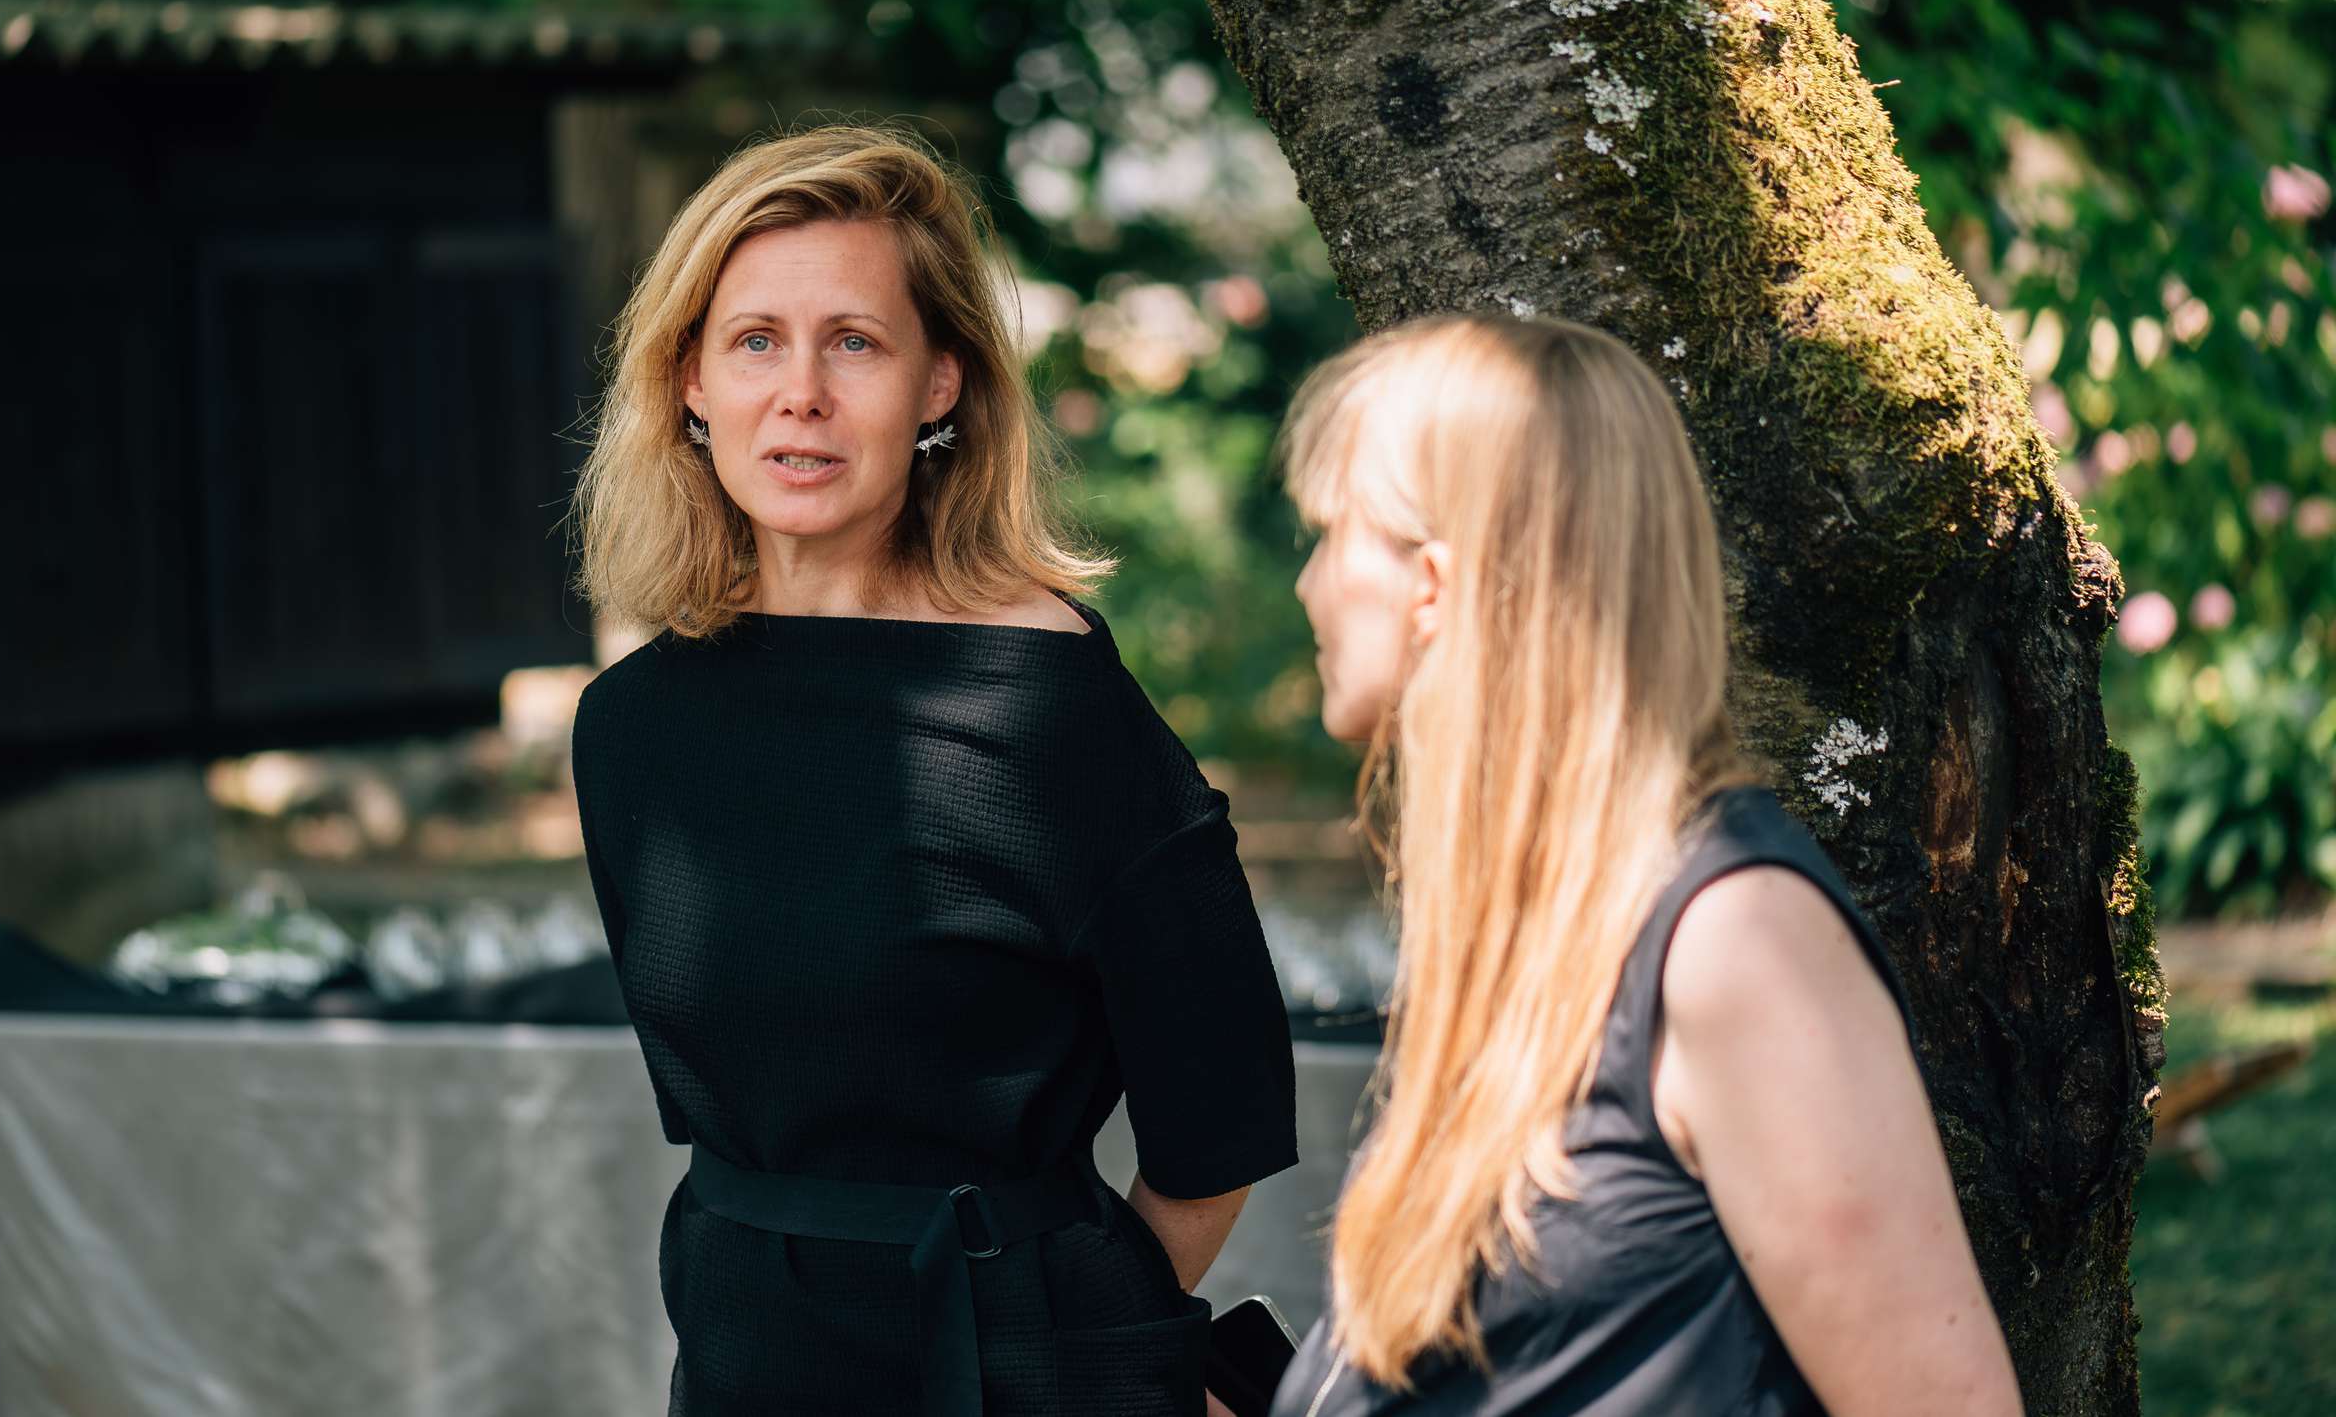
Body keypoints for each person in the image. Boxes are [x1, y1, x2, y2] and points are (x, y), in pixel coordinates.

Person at [569, 123, 1297, 1417]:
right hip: (745, 1370)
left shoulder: (1049, 704)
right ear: (690, 383)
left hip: (1022, 1371)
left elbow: (1218, 1115)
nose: (801, 392)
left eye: (855, 342)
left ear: (941, 384)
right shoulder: (630, 727)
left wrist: (1089, 1351)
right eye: (755, 341)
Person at [1264, 314, 2021, 1417]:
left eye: (1331, 534)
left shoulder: (1736, 946)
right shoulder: (1541, 927)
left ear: (1432, 585)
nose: (1308, 584)